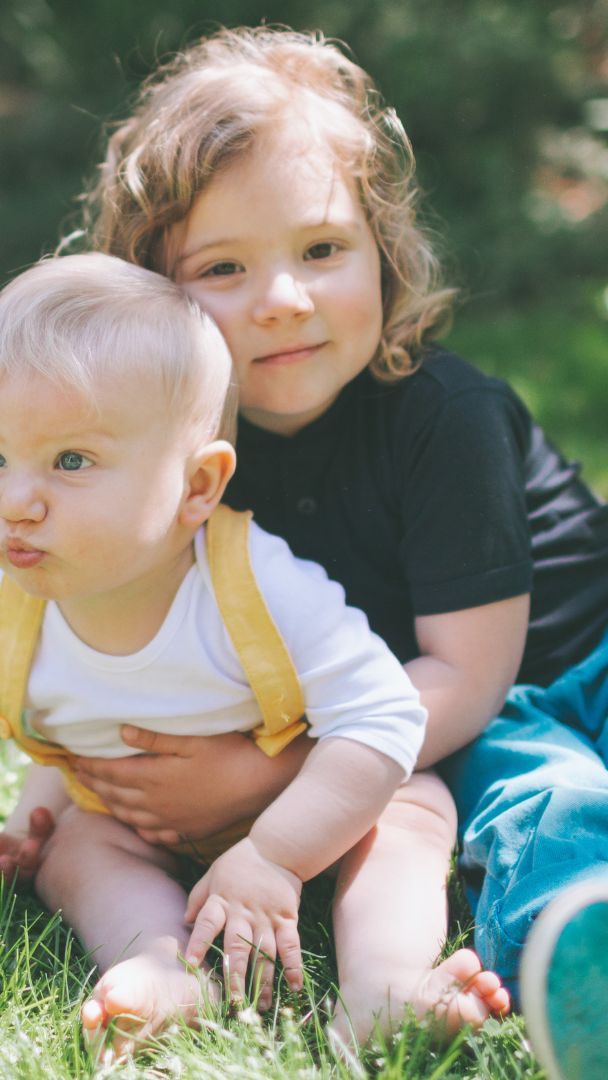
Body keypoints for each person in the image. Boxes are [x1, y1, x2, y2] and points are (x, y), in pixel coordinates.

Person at [49, 25, 608, 1073]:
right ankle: (578, 958)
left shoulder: (444, 417)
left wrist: (269, 784)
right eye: (222, 267)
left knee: (536, 778)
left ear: (383, 254)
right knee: (527, 798)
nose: (282, 300)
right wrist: (60, 789)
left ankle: (573, 934)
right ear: (154, 301)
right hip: (428, 725)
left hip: (545, 675)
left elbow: (468, 678)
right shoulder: (189, 464)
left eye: (320, 250)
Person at [0, 252, 510, 1061]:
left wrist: (274, 853)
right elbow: (64, 717)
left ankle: (385, 985)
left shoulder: (255, 583)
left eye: (70, 462)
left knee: (407, 815)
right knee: (80, 853)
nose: (15, 501)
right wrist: (36, 819)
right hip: (146, 828)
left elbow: (383, 717)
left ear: (197, 487)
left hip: (320, 801)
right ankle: (161, 964)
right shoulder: (17, 601)